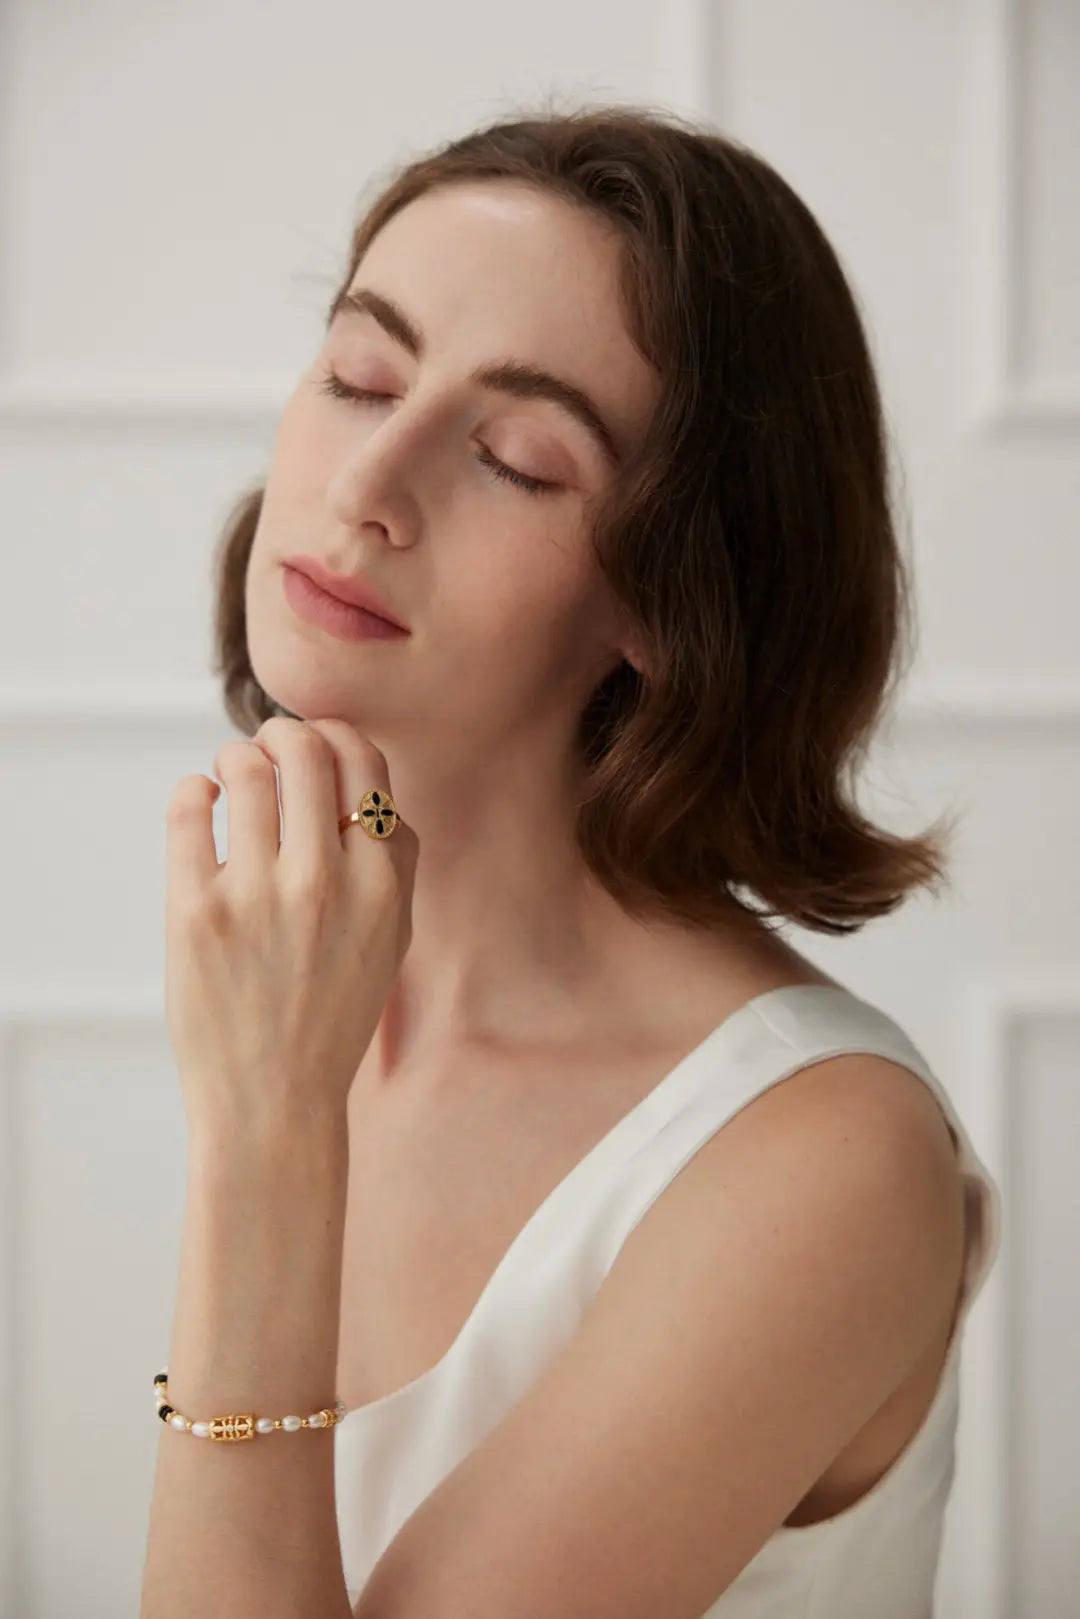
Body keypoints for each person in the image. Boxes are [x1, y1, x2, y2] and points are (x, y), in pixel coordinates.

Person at [207, 101, 1001, 1617]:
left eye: (513, 457)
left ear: (673, 594)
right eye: (360, 373)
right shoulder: (307, 981)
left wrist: (262, 1139)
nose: (365, 484)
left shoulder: (820, 1163)